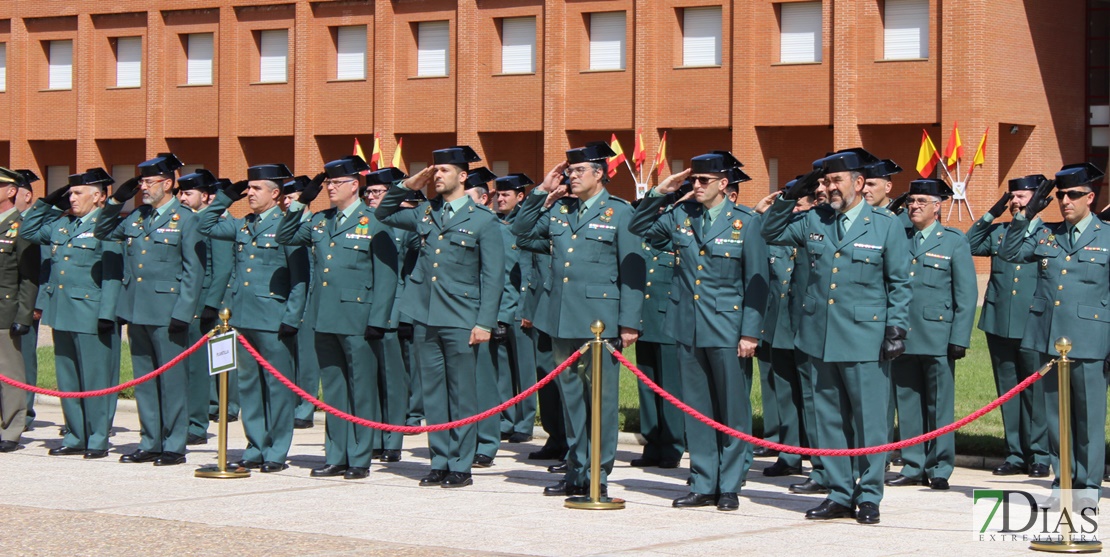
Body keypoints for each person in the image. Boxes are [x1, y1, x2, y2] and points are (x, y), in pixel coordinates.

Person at [761, 148, 912, 524]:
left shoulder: (885, 224)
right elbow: (770, 230)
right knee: (827, 419)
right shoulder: (814, 219)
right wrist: (796, 191)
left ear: (859, 184)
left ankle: (870, 494)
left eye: (835, 180)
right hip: (818, 336)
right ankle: (840, 492)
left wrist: (896, 327)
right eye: (824, 182)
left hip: (865, 336)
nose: (828, 188)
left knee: (869, 420)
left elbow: (899, 282)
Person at [629, 151, 767, 511]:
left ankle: (730, 485)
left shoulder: (746, 222)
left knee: (732, 411)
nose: (697, 185)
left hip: (728, 327)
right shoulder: (679, 215)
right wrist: (660, 193)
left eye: (705, 180)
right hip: (687, 325)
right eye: (694, 179)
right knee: (697, 410)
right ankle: (704, 482)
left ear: (724, 184)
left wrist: (750, 332)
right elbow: (639, 228)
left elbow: (756, 282)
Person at [511, 142, 644, 498]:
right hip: (559, 318)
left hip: (599, 321)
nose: (571, 175)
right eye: (569, 170)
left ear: (599, 174)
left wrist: (629, 323)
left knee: (599, 399)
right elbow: (521, 232)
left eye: (579, 170)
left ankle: (598, 474)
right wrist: (541, 190)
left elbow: (632, 270)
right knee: (571, 399)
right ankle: (576, 468)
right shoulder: (559, 209)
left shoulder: (620, 213)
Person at [377, 146, 504, 488]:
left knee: (462, 393)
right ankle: (440, 460)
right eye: (435, 171)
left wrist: (484, 322)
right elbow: (383, 213)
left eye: (444, 170)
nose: (437, 176)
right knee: (433, 392)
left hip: (462, 317)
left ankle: (461, 464)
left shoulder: (483, 220)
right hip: (425, 314)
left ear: (463, 176)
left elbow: (493, 276)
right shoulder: (424, 212)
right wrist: (408, 184)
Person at [1000, 163, 1110, 506]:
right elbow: (1009, 253)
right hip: (1049, 338)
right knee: (1055, 416)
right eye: (1061, 195)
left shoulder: (1107, 235)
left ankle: (1088, 487)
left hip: (1091, 339)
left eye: (1073, 195)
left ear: (1090, 198)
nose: (1065, 201)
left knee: (1088, 417)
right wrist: (1026, 215)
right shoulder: (1048, 234)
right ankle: (1064, 483)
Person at [95, 153, 205, 466]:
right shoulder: (137, 216)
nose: (143, 186)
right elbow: (103, 230)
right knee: (144, 380)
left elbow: (193, 271)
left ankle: (173, 444)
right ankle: (151, 440)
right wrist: (117, 200)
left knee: (171, 380)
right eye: (141, 181)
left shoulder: (186, 219)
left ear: (168, 184)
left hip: (168, 311)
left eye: (149, 181)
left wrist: (183, 313)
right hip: (137, 308)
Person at [197, 164, 308, 472]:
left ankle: (276, 450)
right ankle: (255, 444)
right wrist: (224, 198)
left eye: (257, 188)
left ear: (275, 193)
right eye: (249, 188)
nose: (250, 193)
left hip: (274, 318)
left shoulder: (288, 225)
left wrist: (292, 317)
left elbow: (300, 278)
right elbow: (203, 225)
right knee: (249, 385)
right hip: (242, 317)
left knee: (277, 386)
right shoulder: (241, 225)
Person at [885, 179, 976, 491]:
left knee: (939, 405)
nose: (914, 206)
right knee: (907, 402)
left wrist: (959, 338)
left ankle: (940, 466)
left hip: (938, 335)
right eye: (911, 201)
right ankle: (913, 464)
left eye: (922, 201)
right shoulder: (899, 236)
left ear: (938, 206)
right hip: (903, 335)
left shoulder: (953, 240)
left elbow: (965, 293)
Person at [23, 169, 120, 458]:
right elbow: (28, 230)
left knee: (95, 378)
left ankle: (98, 439)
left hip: (92, 312)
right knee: (68, 378)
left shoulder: (108, 226)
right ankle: (76, 435)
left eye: (78, 193)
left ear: (99, 197)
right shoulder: (62, 225)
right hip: (62, 310)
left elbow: (113, 275)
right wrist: (48, 203)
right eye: (70, 193)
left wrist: (108, 313)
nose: (72, 198)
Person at [966, 175, 1051, 478]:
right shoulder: (999, 231)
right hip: (999, 321)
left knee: (1035, 392)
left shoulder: (1047, 234)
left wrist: (1026, 218)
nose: (1015, 203)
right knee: (1008, 392)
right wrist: (993, 211)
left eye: (1022, 197)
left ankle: (1040, 454)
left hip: (1032, 324)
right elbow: (969, 243)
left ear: (1037, 200)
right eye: (1012, 197)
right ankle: (1015, 452)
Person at [462, 167, 520, 467]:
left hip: (484, 314)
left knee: (485, 383)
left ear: (483, 199)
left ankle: (487, 440)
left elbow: (501, 277)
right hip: (457, 313)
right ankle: (463, 440)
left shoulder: (492, 227)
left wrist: (498, 316)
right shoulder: (455, 223)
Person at [175, 170, 234, 445]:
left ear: (206, 196)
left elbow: (221, 267)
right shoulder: (183, 220)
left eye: (188, 193)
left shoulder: (215, 221)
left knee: (200, 367)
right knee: (182, 365)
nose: (182, 198)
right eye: (181, 193)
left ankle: (198, 424)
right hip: (187, 298)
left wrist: (212, 303)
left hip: (206, 302)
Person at [362, 167, 413, 462]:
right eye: (368, 191)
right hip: (363, 309)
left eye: (377, 192)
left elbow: (410, 272)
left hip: (393, 310)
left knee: (392, 380)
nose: (370, 196)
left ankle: (392, 439)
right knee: (370, 379)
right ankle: (374, 436)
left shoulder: (401, 226)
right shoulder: (361, 222)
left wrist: (405, 314)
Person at [492, 174, 537, 444]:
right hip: (498, 309)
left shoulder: (527, 225)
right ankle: (505, 419)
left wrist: (527, 310)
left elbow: (532, 271)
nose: (500, 198)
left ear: (520, 197)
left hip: (521, 310)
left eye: (506, 195)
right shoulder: (492, 224)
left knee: (525, 371)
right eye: (498, 194)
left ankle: (525, 421)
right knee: (502, 370)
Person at [0, 167, 38, 451]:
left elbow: (29, 276)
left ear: (11, 191)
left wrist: (24, 315)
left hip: (6, 310)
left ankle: (12, 430)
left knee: (10, 374)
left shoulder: (21, 227)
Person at [281, 175, 319, 431]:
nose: (286, 202)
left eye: (292, 197)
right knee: (290, 358)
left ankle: (305, 407)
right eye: (284, 197)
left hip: (308, 299)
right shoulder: (287, 225)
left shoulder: (313, 225)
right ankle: (292, 402)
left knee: (307, 360)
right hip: (287, 298)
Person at [12, 170, 44, 430]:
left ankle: (26, 412)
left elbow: (42, 268)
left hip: (26, 303)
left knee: (25, 359)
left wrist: (37, 303)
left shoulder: (34, 225)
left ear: (27, 195)